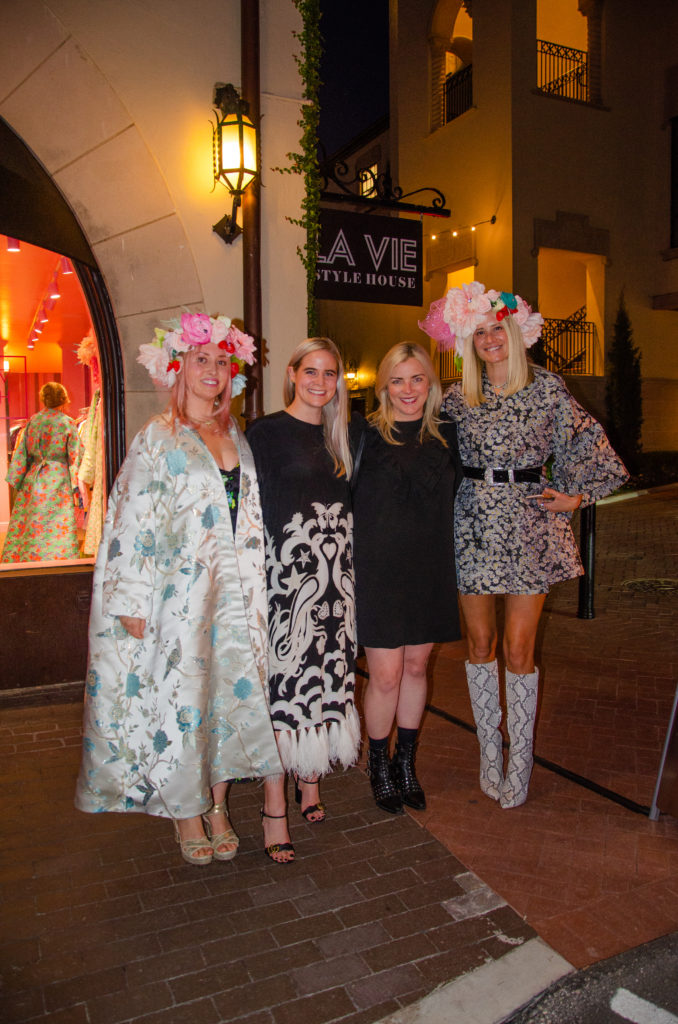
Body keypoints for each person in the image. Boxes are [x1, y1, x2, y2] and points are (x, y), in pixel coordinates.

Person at [75, 312, 282, 865]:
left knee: (224, 699)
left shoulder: (235, 433)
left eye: (221, 361)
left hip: (233, 598)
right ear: (180, 367)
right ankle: (187, 812)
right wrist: (131, 603)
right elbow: (129, 526)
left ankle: (217, 805)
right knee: (184, 700)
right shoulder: (157, 438)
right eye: (201, 360)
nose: (212, 371)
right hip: (178, 600)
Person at [419, 282, 628, 808]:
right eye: (481, 331)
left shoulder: (547, 389)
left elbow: (587, 440)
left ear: (515, 333)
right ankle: (490, 751)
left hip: (530, 528)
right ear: (469, 340)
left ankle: (521, 759)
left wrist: (578, 494)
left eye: (498, 329)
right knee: (480, 646)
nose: (491, 339)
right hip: (471, 526)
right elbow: (418, 450)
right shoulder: (456, 396)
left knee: (518, 649)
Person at [246, 338, 360, 863]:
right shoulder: (264, 433)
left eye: (330, 373)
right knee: (284, 687)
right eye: (310, 371)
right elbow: (247, 510)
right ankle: (275, 803)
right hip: (286, 582)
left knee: (325, 677)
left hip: (337, 583)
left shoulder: (344, 437)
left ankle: (310, 776)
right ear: (292, 374)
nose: (320, 381)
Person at [351, 342, 462, 815]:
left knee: (416, 668)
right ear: (383, 387)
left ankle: (405, 764)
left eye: (417, 379)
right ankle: (377, 765)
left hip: (429, 567)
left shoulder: (450, 434)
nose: (408, 389)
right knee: (386, 674)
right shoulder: (360, 434)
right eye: (397, 380)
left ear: (431, 385)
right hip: (376, 569)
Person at [2, 381, 83, 562]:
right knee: (57, 517)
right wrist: (78, 481)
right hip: (58, 476)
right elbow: (75, 454)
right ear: (63, 399)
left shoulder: (34, 421)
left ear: (43, 399)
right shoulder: (67, 422)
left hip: (35, 475)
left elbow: (23, 451)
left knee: (34, 517)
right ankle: (58, 555)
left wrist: (17, 477)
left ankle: (31, 555)